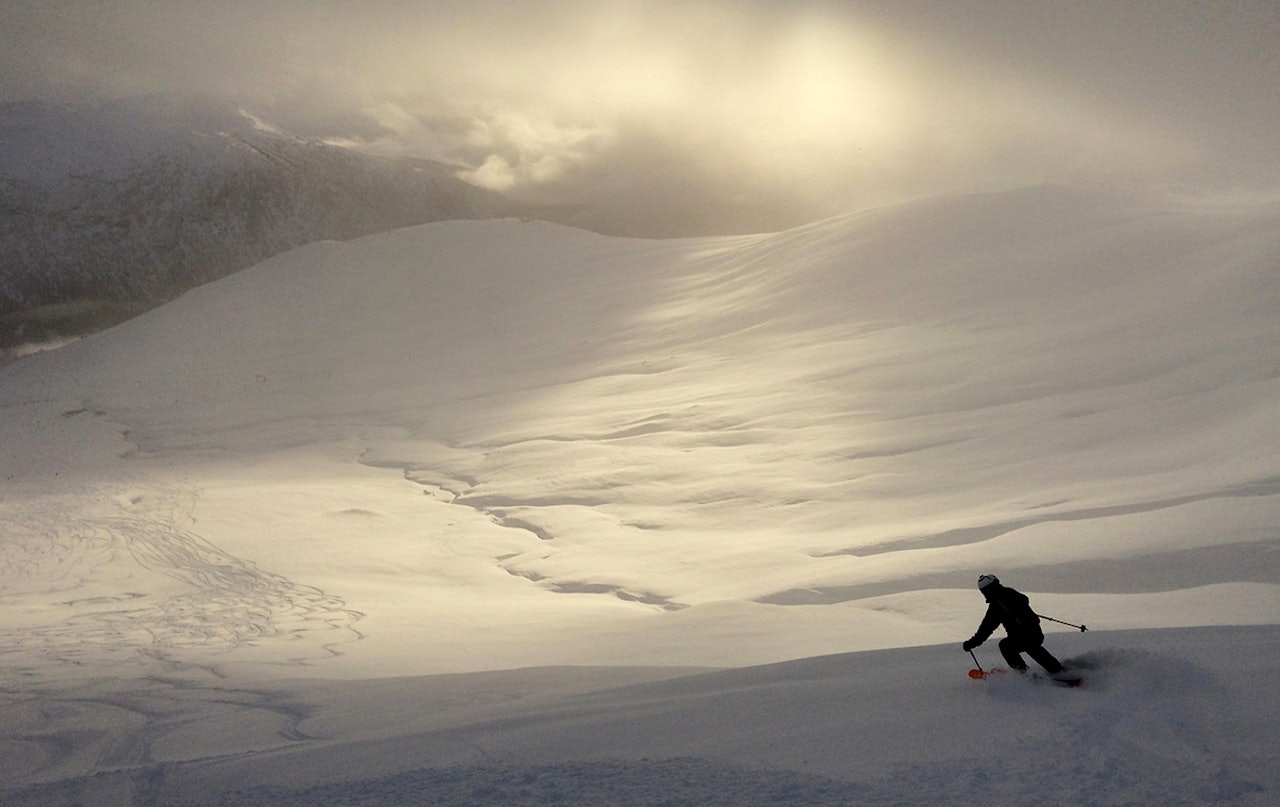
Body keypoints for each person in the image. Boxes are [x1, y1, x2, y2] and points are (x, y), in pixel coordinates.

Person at [962, 574, 1065, 675]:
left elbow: (986, 629)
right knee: (1032, 648)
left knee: (1006, 646)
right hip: (1034, 633)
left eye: (985, 591)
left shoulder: (997, 605)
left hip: (1025, 636)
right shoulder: (1010, 594)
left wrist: (971, 643)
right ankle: (1057, 670)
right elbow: (1023, 602)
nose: (985, 593)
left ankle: (1024, 674)